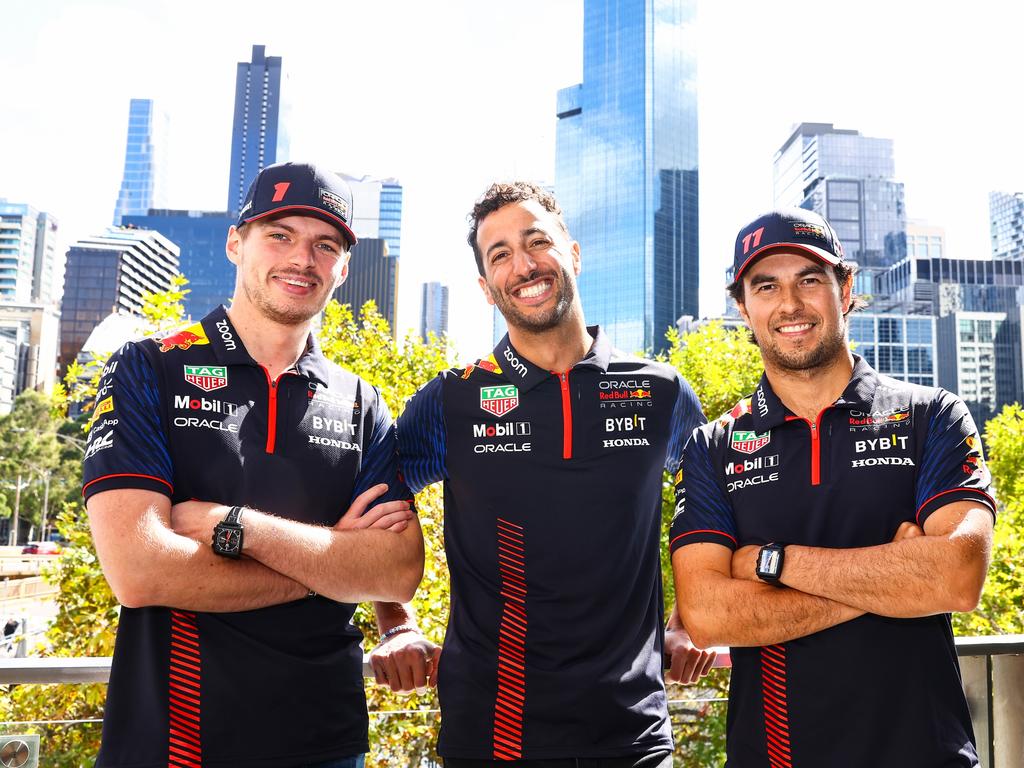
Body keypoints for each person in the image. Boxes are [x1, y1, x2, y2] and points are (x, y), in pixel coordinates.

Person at [82, 162, 424, 768]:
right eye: (280, 235)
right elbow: (138, 571)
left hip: (327, 743)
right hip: (172, 744)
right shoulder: (150, 368)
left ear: (343, 269)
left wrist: (240, 527)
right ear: (236, 242)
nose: (303, 259)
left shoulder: (363, 402)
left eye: (325, 245)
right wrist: (334, 566)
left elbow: (395, 572)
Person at [387, 182, 713, 766]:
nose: (524, 264)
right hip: (490, 733)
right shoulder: (451, 400)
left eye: (537, 241)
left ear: (574, 254)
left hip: (632, 733)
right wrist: (396, 624)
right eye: (501, 254)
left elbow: (720, 508)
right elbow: (370, 504)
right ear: (487, 289)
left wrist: (688, 620)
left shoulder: (661, 391)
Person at [670, 208, 995, 767]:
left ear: (845, 290)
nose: (789, 304)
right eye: (766, 286)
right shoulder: (713, 446)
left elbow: (958, 577)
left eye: (809, 280)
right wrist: (894, 578)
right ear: (743, 308)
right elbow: (707, 616)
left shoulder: (932, 416)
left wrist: (772, 563)